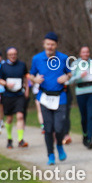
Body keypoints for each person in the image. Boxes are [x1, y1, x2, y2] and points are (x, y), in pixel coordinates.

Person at [29, 32, 71, 165]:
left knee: (59, 127)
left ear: (56, 45)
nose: (50, 47)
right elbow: (31, 75)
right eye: (48, 44)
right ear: (44, 44)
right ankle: (51, 155)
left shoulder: (63, 58)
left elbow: (71, 72)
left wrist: (66, 77)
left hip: (60, 97)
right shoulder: (37, 59)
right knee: (48, 128)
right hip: (45, 97)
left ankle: (59, 145)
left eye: (52, 44)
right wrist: (35, 79)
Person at [0, 47, 30, 149]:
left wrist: (27, 90)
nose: (13, 56)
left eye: (14, 54)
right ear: (7, 56)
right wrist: (6, 84)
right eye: (11, 54)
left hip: (19, 94)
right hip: (8, 95)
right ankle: (9, 139)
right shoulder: (3, 66)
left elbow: (26, 78)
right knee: (9, 118)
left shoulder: (22, 65)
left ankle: (20, 140)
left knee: (20, 116)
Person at [71, 45, 92, 149]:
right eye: (83, 52)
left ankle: (90, 139)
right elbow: (71, 80)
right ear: (80, 53)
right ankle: (85, 135)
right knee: (84, 117)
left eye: (87, 52)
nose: (86, 54)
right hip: (81, 92)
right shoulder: (75, 64)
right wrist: (80, 76)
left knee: (91, 116)